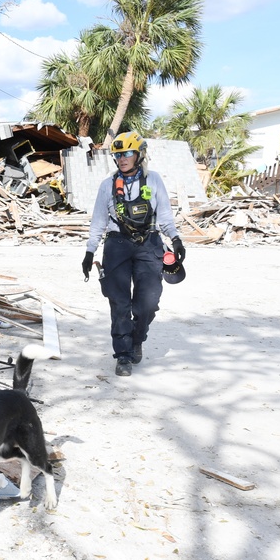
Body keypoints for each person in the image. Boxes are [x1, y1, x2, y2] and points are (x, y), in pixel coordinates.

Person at [81, 131, 185, 377]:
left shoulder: (154, 180)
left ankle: (138, 337)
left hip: (149, 243)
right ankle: (124, 355)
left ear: (139, 155)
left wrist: (176, 238)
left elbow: (166, 217)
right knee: (119, 304)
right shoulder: (108, 185)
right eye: (118, 155)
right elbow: (98, 222)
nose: (122, 159)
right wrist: (89, 251)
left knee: (147, 303)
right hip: (117, 245)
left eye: (127, 153)